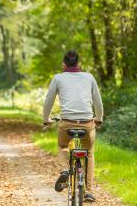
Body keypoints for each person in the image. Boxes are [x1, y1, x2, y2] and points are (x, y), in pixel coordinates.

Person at [42, 50, 103, 202]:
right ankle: (88, 191)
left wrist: (46, 119)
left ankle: (64, 169)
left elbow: (48, 100)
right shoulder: (89, 77)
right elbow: (98, 102)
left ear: (64, 65)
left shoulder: (58, 78)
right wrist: (99, 118)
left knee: (63, 146)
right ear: (79, 64)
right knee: (88, 152)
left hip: (67, 123)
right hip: (87, 124)